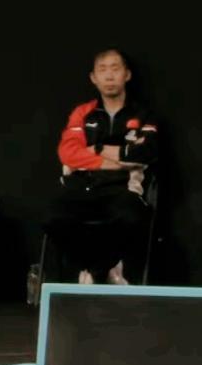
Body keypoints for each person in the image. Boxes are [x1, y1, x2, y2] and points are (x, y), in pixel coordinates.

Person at [47, 48, 158, 285]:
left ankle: (94, 271)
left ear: (127, 75)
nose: (109, 76)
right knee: (52, 217)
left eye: (115, 69)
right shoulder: (83, 113)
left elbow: (145, 154)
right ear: (93, 78)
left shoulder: (143, 114)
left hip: (122, 189)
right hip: (83, 187)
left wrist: (96, 149)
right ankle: (103, 268)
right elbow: (68, 153)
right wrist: (117, 161)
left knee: (130, 218)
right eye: (103, 70)